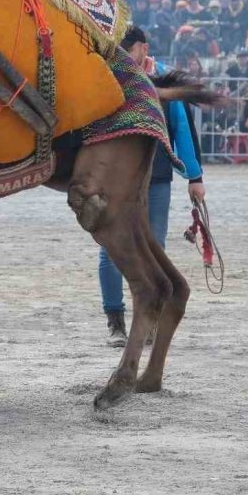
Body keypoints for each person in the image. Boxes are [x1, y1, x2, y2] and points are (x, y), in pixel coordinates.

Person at [100, 26, 206, 347]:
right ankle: (115, 321)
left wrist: (195, 177)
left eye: (127, 51)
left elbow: (183, 130)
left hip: (158, 174)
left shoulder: (163, 80)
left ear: (143, 49)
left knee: (154, 248)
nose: (122, 58)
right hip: (115, 178)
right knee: (110, 249)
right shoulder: (108, 78)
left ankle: (147, 319)